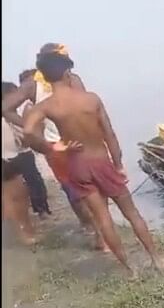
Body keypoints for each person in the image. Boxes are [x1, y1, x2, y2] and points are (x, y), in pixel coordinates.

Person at [23, 47, 164, 278]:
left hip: (77, 166)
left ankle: (130, 271)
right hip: (101, 162)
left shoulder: (46, 106)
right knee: (131, 213)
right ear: (67, 73)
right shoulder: (90, 99)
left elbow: (28, 132)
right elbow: (110, 135)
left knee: (103, 218)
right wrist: (119, 165)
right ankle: (156, 259)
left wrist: (52, 147)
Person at [3, 57, 105, 249]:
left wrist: (38, 137)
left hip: (60, 147)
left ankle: (93, 229)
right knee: (84, 189)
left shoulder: (44, 94)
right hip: (69, 146)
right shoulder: (65, 83)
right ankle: (96, 230)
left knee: (77, 189)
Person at [1, 81, 50, 217]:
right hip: (10, 155)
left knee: (35, 181)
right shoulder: (7, 115)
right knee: (20, 185)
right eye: (13, 93)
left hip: (23, 152)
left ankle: (41, 209)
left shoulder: (18, 112)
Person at [2, 116, 36, 245]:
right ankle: (20, 235)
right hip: (6, 157)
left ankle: (26, 230)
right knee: (8, 198)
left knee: (21, 194)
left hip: (11, 155)